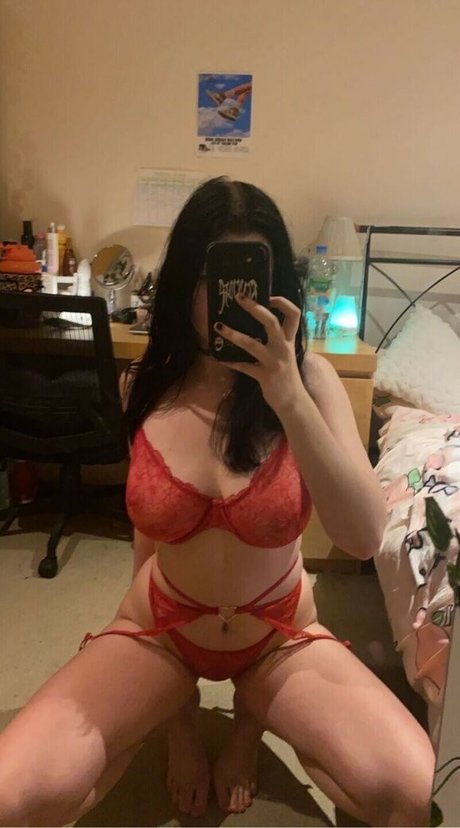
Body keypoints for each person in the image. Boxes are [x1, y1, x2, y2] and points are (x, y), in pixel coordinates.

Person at [0, 177, 435, 827]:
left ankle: (251, 721)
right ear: (186, 282)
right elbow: (148, 537)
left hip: (278, 636)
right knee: (15, 795)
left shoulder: (310, 381)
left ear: (277, 283)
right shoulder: (145, 382)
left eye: (251, 275)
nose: (233, 297)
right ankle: (164, 716)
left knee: (416, 794)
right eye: (215, 278)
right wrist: (176, 726)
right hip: (164, 627)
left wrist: (287, 397)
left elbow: (365, 536)